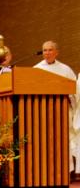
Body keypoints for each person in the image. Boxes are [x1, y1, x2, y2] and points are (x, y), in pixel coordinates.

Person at [34, 41, 78, 174]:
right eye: (44, 50)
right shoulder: (35, 69)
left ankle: (66, 170)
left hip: (62, 110)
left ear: (56, 52)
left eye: (50, 50)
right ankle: (45, 170)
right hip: (43, 111)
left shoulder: (65, 69)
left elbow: (75, 90)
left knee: (64, 139)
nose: (47, 53)